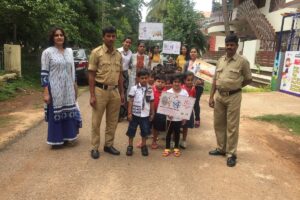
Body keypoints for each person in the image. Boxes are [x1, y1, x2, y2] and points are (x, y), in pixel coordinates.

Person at [208, 34, 252, 167]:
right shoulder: (220, 60)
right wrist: (211, 96)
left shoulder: (242, 61)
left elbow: (248, 78)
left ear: (236, 46)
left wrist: (237, 87)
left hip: (234, 97)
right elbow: (215, 80)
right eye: (227, 44)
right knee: (218, 123)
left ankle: (231, 153)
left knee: (232, 126)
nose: (229, 47)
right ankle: (221, 148)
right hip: (220, 96)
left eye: (232, 45)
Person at [41, 27, 81, 148]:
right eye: (56, 35)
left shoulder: (69, 51)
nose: (59, 37)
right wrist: (46, 91)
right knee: (57, 112)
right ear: (52, 38)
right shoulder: (47, 52)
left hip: (68, 89)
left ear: (64, 37)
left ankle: (68, 137)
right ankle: (56, 140)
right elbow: (44, 73)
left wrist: (75, 86)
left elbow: (72, 71)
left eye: (61, 35)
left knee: (69, 111)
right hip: (55, 89)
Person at [88, 26, 124, 159]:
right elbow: (91, 75)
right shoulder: (96, 53)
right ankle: (94, 147)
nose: (111, 38)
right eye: (108, 36)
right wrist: (92, 95)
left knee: (112, 121)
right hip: (99, 91)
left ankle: (108, 145)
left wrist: (122, 93)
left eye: (113, 36)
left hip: (114, 91)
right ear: (103, 37)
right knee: (96, 121)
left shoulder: (119, 55)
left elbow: (120, 75)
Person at [126, 69, 154, 156]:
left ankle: (143, 146)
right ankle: (130, 146)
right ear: (138, 79)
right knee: (131, 131)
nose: (144, 80)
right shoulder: (134, 88)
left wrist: (152, 113)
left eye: (146, 78)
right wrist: (129, 113)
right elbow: (130, 101)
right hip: (135, 114)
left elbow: (152, 101)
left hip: (145, 115)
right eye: (142, 78)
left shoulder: (150, 89)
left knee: (145, 131)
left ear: (148, 78)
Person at [162, 73, 188, 157]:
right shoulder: (168, 92)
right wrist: (167, 113)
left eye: (178, 82)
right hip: (169, 117)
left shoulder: (184, 93)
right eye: (175, 82)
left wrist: (184, 117)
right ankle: (167, 148)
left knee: (177, 133)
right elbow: (164, 104)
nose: (177, 83)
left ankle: (176, 148)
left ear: (181, 83)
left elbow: (186, 105)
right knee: (168, 133)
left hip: (179, 118)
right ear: (172, 82)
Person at [184, 47, 204, 128]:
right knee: (186, 102)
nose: (193, 53)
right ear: (189, 53)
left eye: (194, 52)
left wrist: (201, 81)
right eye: (191, 52)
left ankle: (197, 119)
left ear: (197, 53)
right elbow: (183, 75)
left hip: (198, 86)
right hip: (188, 86)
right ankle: (185, 117)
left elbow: (205, 76)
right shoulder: (186, 63)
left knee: (195, 102)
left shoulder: (201, 63)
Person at [118, 37, 133, 120]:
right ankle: (117, 115)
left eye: (129, 42)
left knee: (125, 94)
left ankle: (123, 114)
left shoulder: (130, 53)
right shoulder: (117, 51)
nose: (128, 44)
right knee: (118, 93)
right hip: (117, 73)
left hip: (125, 74)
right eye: (126, 42)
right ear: (123, 42)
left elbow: (130, 64)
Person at [180, 71, 196, 149]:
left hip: (188, 110)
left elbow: (193, 98)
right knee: (175, 125)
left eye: (191, 80)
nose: (190, 82)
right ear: (184, 80)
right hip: (180, 110)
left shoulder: (193, 89)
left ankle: (183, 140)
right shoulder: (181, 88)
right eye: (188, 80)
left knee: (185, 126)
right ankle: (173, 140)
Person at [151, 73, 167, 149]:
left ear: (165, 84)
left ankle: (154, 141)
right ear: (154, 82)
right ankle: (143, 140)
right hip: (150, 112)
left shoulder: (167, 92)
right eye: (158, 81)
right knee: (145, 126)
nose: (160, 83)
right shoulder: (150, 89)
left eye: (162, 82)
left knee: (156, 128)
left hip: (160, 112)